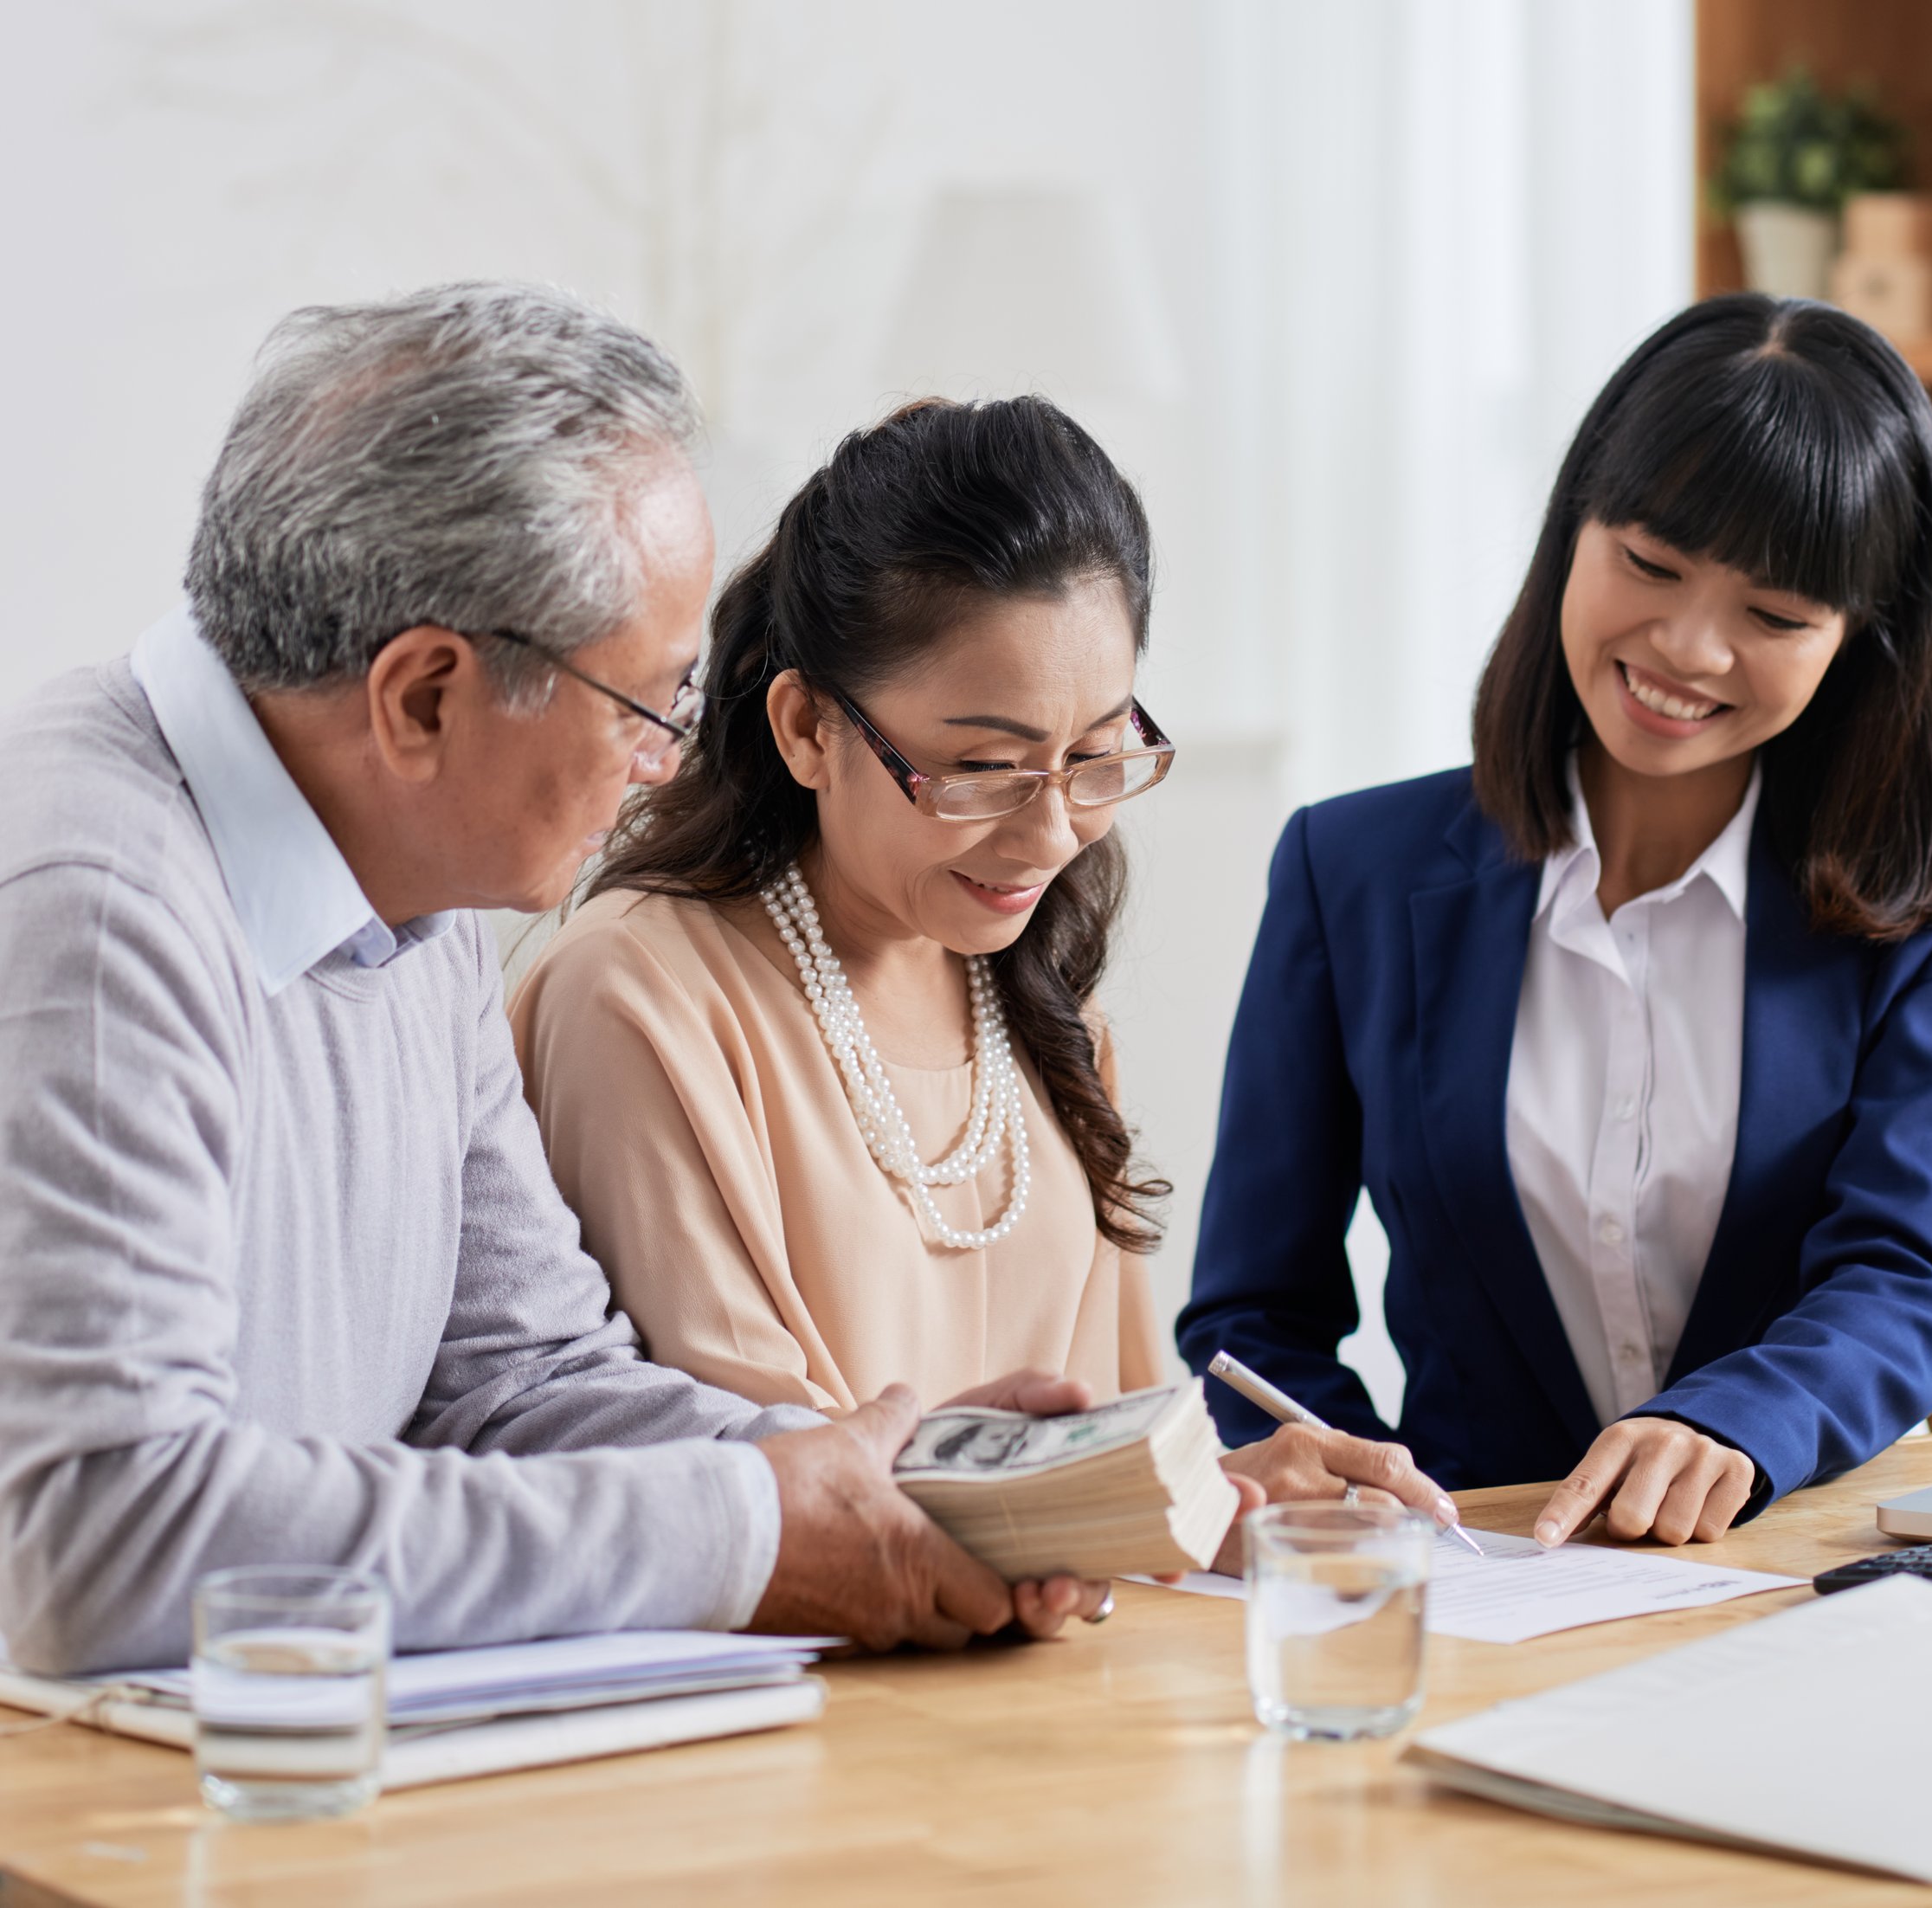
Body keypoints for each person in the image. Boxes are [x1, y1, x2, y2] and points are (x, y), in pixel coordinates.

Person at [0, 285, 1108, 1676]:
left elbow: (521, 1384)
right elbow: (104, 1538)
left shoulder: (413, 885)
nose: (666, 762)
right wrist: (754, 1532)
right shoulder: (94, 910)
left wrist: (914, 1487)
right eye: (652, 706)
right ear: (423, 699)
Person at [514, 396, 1460, 1560]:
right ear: (807, 727)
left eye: (1095, 757)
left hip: (1043, 1685)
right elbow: (751, 1475)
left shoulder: (1042, 1002)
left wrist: (1227, 1492)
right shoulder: (636, 997)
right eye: (983, 768)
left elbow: (1106, 1446)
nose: (1054, 832)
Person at [1181, 294, 1932, 1549]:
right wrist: (1333, 1484)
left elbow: (1903, 1280)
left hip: (1794, 1563)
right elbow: (1251, 1318)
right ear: (1572, 524)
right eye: (1650, 564)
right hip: (1472, 1575)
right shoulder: (1348, 871)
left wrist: (1735, 1424)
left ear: (1860, 643)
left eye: (1778, 617)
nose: (1689, 648)